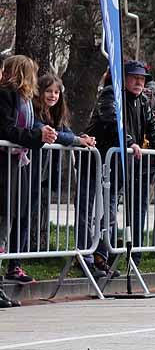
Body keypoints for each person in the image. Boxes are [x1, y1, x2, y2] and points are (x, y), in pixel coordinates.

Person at [80, 61, 155, 275]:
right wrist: (129, 142)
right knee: (89, 211)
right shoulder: (110, 94)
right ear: (123, 79)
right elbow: (113, 121)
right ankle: (85, 257)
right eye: (134, 78)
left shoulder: (143, 100)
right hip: (97, 161)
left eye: (142, 79)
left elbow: (151, 124)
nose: (139, 82)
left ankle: (101, 257)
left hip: (118, 166)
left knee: (110, 213)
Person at [0, 56, 58, 289]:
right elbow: (7, 129)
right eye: (32, 72)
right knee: (3, 219)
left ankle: (11, 268)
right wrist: (37, 136)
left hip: (17, 162)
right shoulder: (6, 95)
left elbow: (27, 126)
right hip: (5, 164)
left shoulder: (24, 99)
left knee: (12, 217)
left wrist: (42, 133)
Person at [30, 73, 96, 252]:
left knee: (34, 211)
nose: (53, 95)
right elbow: (53, 135)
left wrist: (82, 139)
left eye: (56, 92)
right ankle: (15, 257)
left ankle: (20, 259)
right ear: (40, 92)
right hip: (30, 169)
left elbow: (66, 133)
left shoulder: (57, 113)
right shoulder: (34, 111)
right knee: (22, 215)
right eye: (48, 91)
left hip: (45, 173)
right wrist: (77, 140)